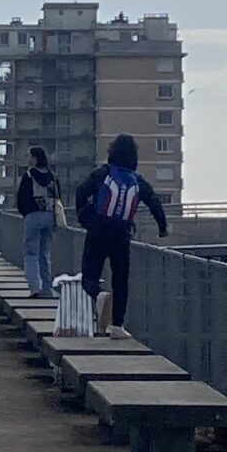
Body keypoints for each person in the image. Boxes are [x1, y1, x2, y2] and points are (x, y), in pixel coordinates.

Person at [74, 134, 168, 340]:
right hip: (122, 234)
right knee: (121, 280)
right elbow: (154, 203)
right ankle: (118, 325)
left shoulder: (103, 174)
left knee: (89, 276)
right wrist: (162, 228)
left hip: (98, 230)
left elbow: (81, 191)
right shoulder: (138, 180)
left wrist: (85, 216)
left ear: (112, 153)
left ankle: (98, 295)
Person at [16, 146, 61, 298]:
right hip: (49, 216)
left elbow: (21, 198)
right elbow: (58, 196)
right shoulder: (52, 176)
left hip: (33, 216)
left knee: (30, 253)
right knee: (44, 254)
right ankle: (47, 289)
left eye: (29, 156)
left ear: (35, 158)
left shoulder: (29, 176)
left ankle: (35, 287)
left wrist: (26, 213)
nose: (28, 159)